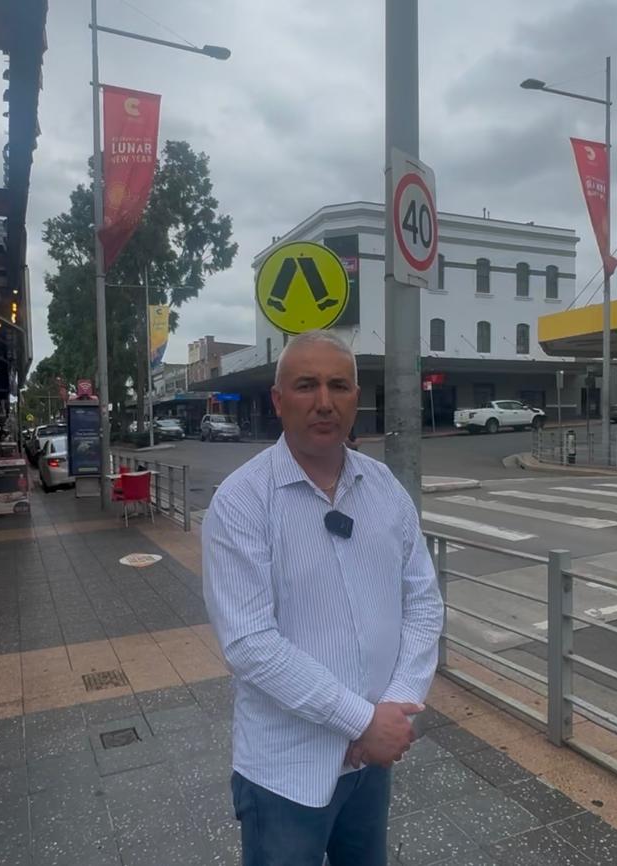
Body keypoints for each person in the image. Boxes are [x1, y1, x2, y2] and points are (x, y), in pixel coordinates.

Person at [202, 330, 443, 866]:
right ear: (277, 399)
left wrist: (394, 709)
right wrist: (362, 721)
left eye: (339, 385)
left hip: (369, 766)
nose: (324, 402)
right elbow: (250, 644)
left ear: (358, 396)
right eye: (306, 385)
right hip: (285, 774)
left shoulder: (385, 490)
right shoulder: (242, 503)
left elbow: (424, 602)